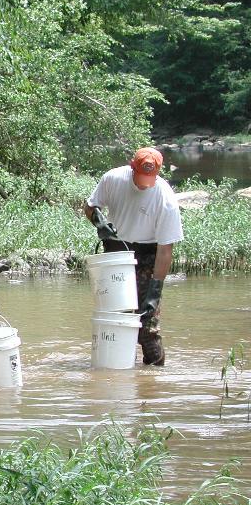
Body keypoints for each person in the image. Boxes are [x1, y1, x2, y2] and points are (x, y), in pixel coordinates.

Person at [84, 146, 183, 366]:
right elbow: (90, 206)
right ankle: (118, 369)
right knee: (116, 319)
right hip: (116, 253)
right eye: (140, 177)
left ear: (157, 173)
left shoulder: (165, 199)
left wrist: (154, 292)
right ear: (132, 168)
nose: (144, 183)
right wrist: (99, 221)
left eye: (150, 178)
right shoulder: (113, 179)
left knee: (147, 328)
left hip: (148, 257)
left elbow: (165, 251)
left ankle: (155, 374)